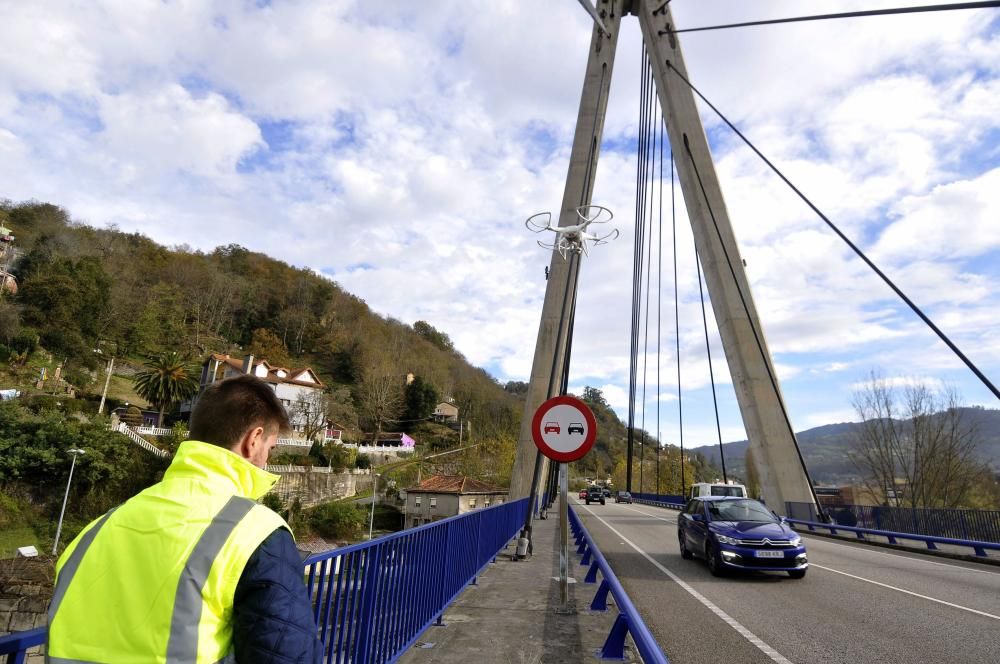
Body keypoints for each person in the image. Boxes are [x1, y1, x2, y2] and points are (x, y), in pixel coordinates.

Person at [47, 375, 323, 663]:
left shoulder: (98, 529)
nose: (268, 458)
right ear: (253, 440)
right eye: (271, 447)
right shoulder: (256, 533)